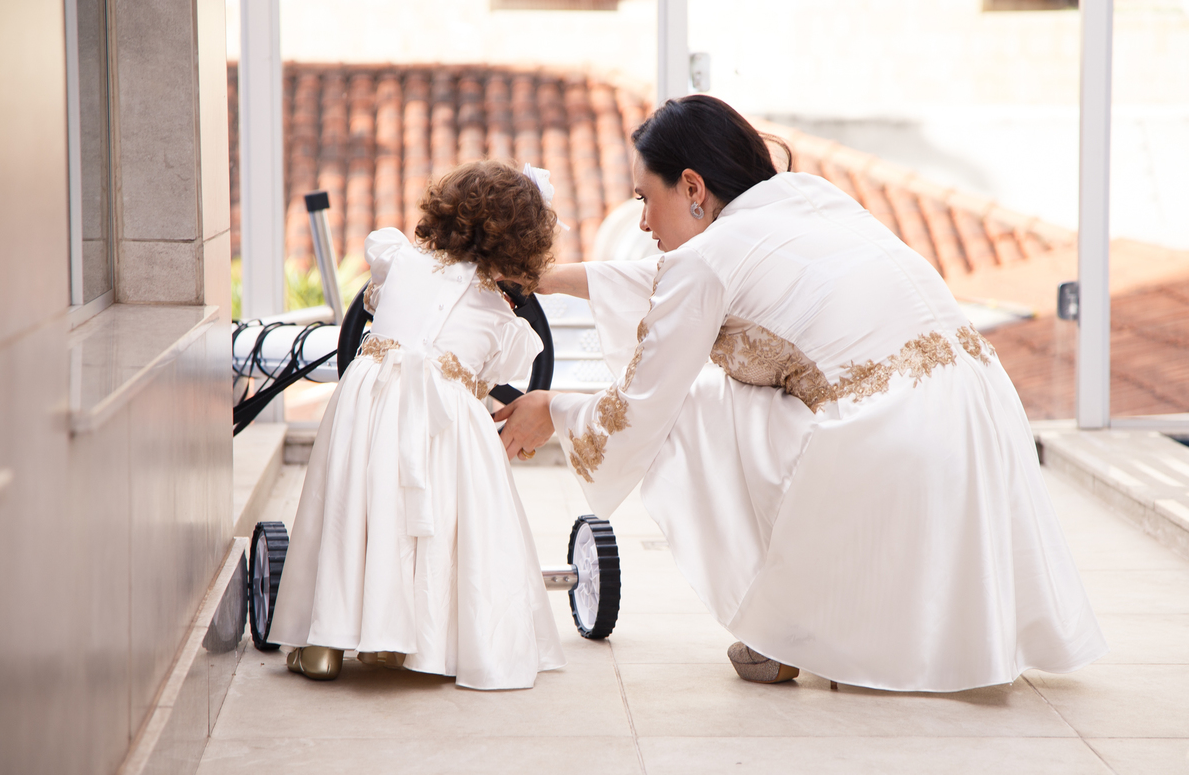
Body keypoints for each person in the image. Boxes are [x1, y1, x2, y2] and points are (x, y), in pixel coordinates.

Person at [496, 95, 1107, 692]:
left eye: (644, 199)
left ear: (691, 186)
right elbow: (684, 285)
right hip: (987, 420)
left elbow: (639, 409)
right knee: (740, 394)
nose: (645, 223)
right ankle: (798, 620)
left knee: (705, 405)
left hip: (892, 441)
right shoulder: (811, 198)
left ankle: (787, 625)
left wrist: (554, 407)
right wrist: (551, 280)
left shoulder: (706, 261)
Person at [268, 160, 566, 690]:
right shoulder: (504, 320)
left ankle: (325, 642)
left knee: (353, 506)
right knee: (439, 513)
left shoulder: (398, 260)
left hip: (368, 398)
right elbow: (498, 378)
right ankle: (407, 638)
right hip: (440, 418)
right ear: (524, 246)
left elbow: (377, 292)